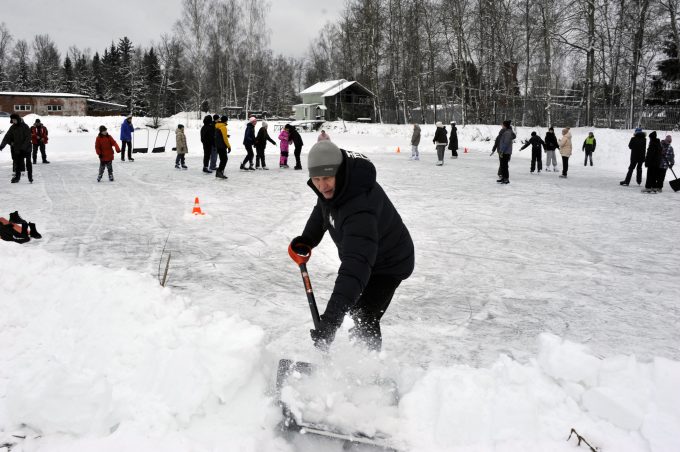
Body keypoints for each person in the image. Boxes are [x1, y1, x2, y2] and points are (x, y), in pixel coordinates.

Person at [289, 141, 414, 351]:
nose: (322, 186)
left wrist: (330, 321)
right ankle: (361, 361)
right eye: (316, 179)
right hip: (368, 255)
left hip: (389, 263)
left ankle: (368, 365)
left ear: (339, 172)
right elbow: (322, 209)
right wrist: (307, 239)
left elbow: (356, 267)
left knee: (364, 315)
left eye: (327, 178)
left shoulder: (359, 208)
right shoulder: (337, 188)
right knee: (360, 312)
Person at [0, 113, 32, 183]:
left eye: (14, 120)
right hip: (18, 148)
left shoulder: (25, 126)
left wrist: (23, 148)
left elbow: (28, 138)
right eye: (12, 120)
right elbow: (7, 137)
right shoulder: (12, 127)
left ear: (18, 119)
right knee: (17, 163)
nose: (13, 121)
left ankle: (30, 177)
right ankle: (17, 178)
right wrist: (2, 145)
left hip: (27, 148)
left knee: (28, 162)